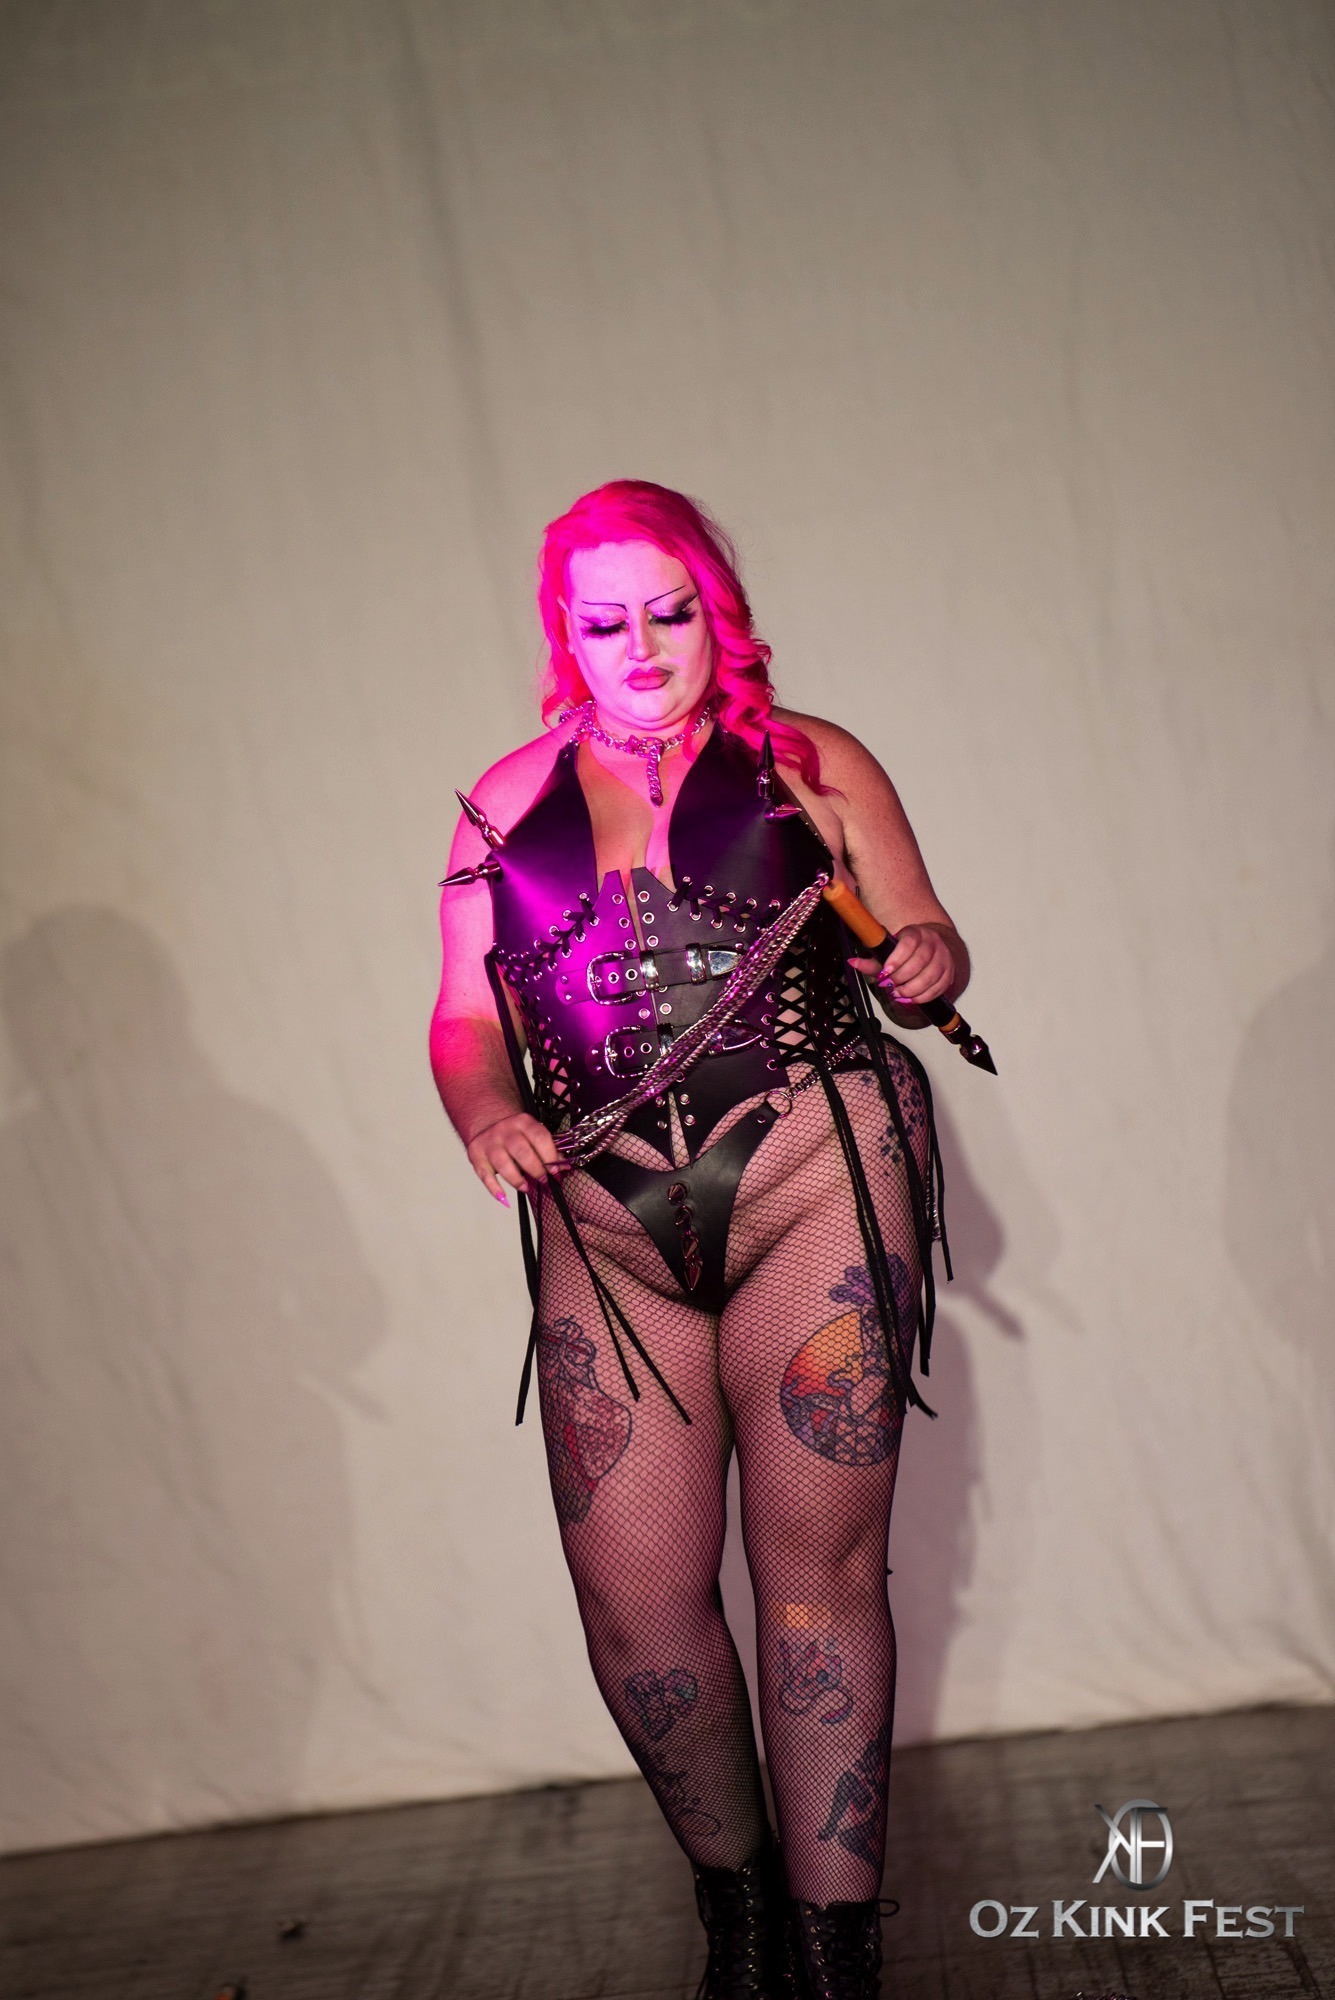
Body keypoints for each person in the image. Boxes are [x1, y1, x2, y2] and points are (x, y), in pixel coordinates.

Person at [429, 481, 970, 2000]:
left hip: (814, 1170)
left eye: (670, 612)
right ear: (566, 635)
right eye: (606, 622)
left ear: (714, 609)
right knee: (634, 1595)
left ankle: (835, 1945)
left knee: (815, 1576)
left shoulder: (812, 764)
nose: (643, 646)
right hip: (607, 1222)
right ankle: (736, 1919)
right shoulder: (500, 803)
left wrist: (929, 957)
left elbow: (922, 931)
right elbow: (465, 1016)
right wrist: (485, 1111)